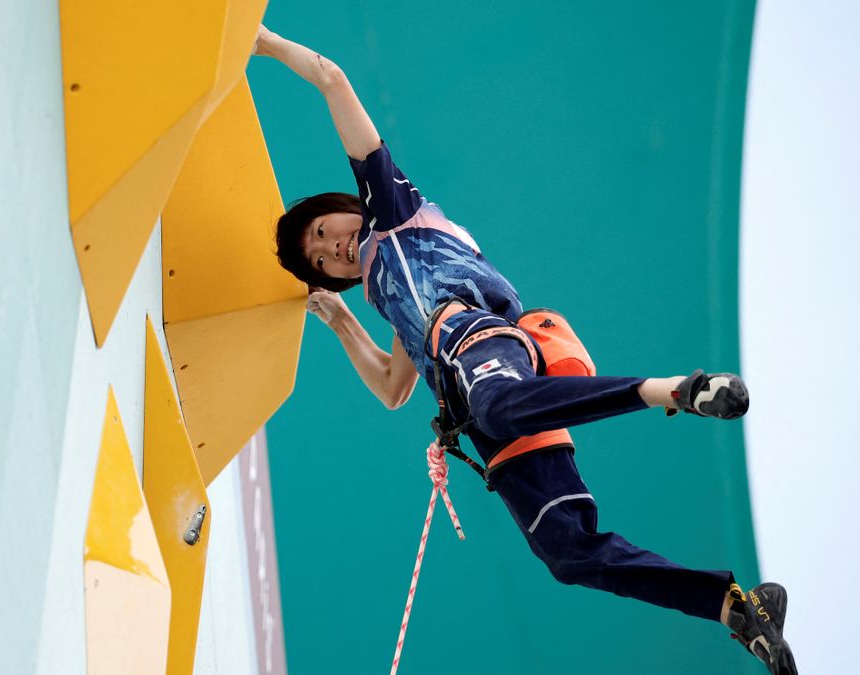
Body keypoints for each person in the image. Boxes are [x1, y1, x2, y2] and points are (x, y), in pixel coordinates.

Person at [252, 24, 797, 675]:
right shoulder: (384, 290)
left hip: (483, 348)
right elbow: (396, 388)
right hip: (486, 406)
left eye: (323, 231)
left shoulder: (390, 211)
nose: (332, 250)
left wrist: (264, 43)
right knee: (567, 551)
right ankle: (734, 607)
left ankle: (678, 390)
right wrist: (342, 321)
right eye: (321, 260)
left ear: (341, 209)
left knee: (500, 402)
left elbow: (333, 79)